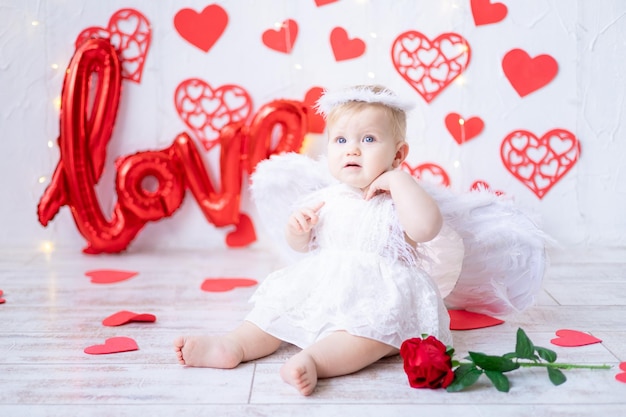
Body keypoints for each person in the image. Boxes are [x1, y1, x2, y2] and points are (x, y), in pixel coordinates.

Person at [174, 84, 453, 396]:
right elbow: (303, 247)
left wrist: (397, 179)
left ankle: (315, 361)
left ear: (398, 153)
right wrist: (299, 230)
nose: (352, 149)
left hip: (379, 298)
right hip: (327, 289)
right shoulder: (327, 197)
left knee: (367, 334)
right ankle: (233, 344)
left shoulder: (399, 197)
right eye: (341, 140)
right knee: (275, 308)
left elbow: (427, 227)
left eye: (369, 139)